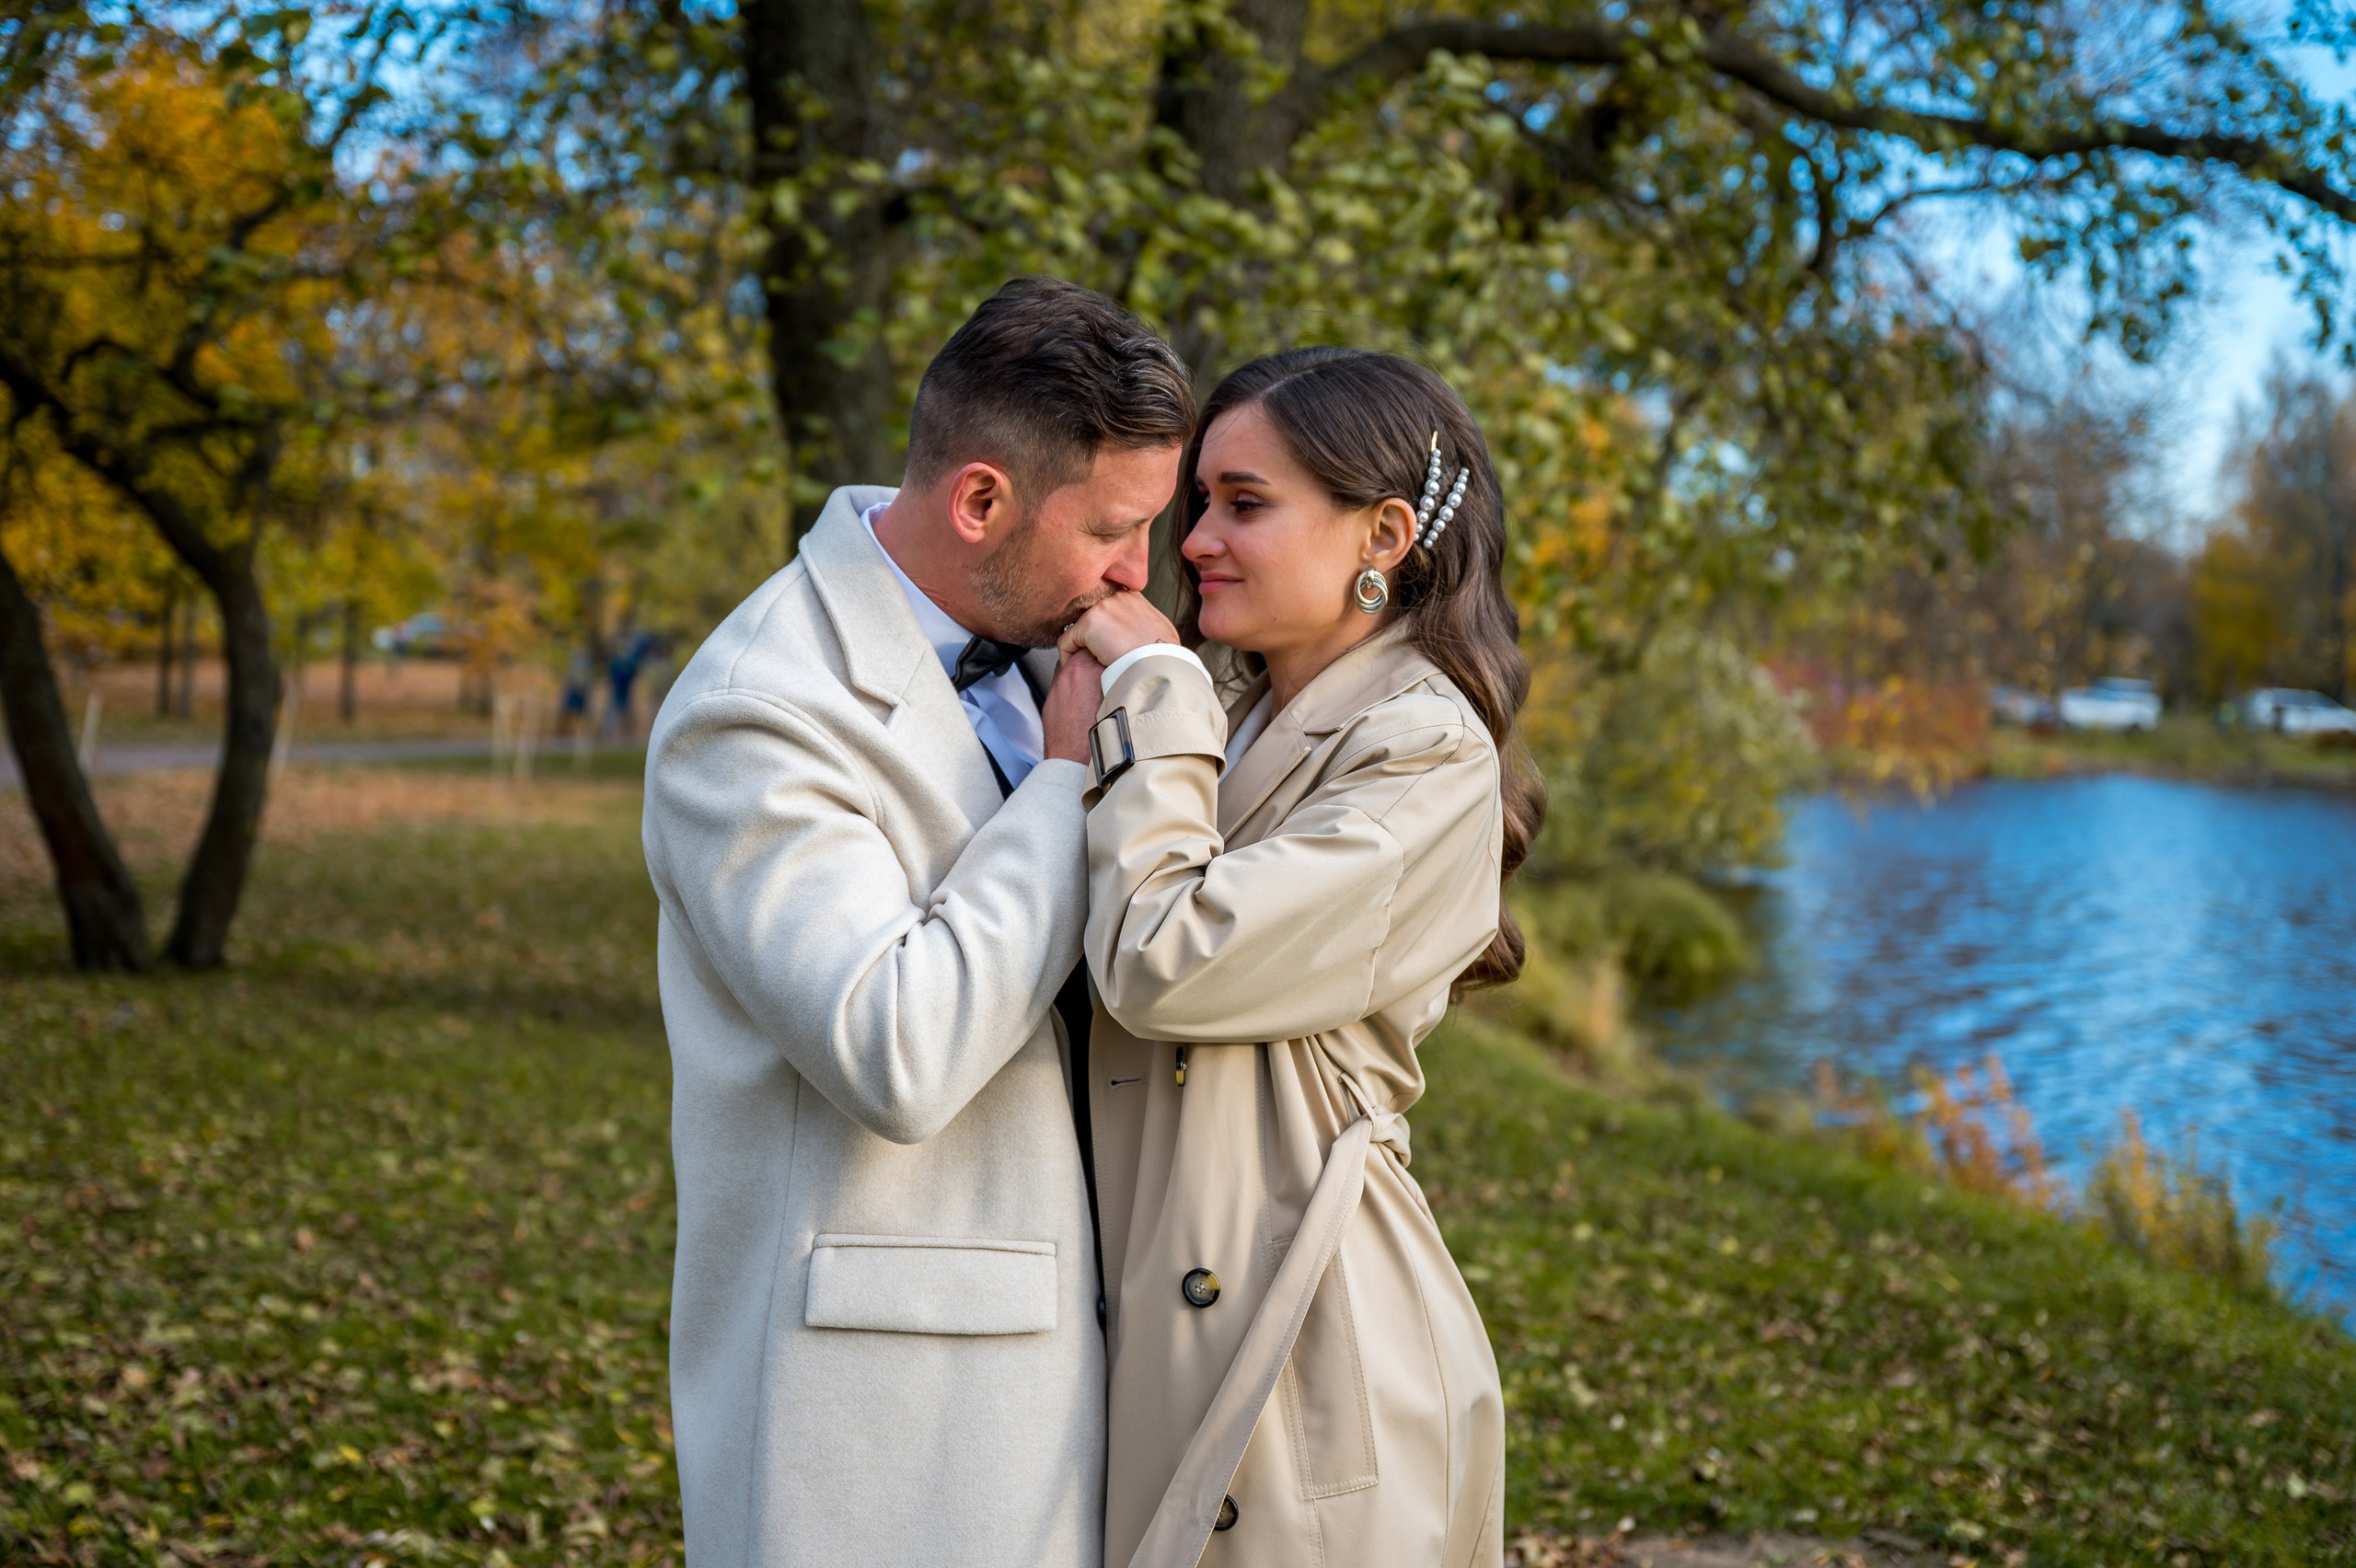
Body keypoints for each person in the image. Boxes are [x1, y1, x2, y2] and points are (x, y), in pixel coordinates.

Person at [640, 277, 1195, 1568]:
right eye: (1114, 531)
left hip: (1081, 1367)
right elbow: (897, 1050)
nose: (1137, 575)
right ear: (983, 499)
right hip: (881, 1415)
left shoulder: (1048, 649)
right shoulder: (756, 709)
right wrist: (1064, 782)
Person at [1058, 348, 1542, 1568]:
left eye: (1245, 504)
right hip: (1160, 1328)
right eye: (1200, 504)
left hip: (1311, 1355)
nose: (1198, 542)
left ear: (1382, 533)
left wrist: (1151, 686)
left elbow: (1166, 960)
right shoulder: (1233, 718)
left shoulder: (1428, 752)